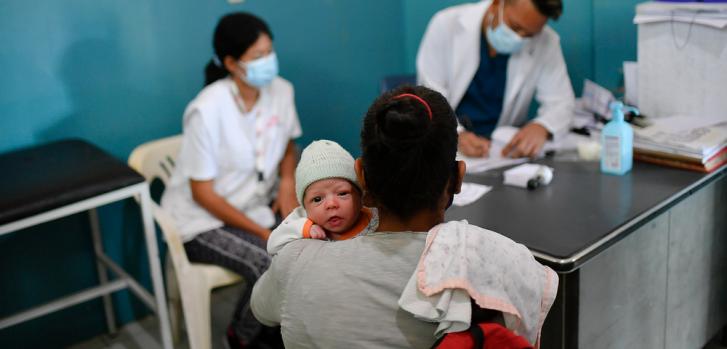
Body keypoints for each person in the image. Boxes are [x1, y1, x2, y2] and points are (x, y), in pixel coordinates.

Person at [250, 85, 555, 348]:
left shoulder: (294, 261)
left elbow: (261, 309)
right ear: (457, 178)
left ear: (361, 178)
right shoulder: (497, 268)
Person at [160, 12, 300, 348]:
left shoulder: (281, 91)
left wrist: (285, 183)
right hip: (202, 220)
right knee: (267, 259)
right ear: (231, 63)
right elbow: (202, 194)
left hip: (255, 205)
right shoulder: (207, 110)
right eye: (257, 56)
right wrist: (263, 233)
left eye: (270, 52)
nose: (268, 61)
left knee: (307, 244)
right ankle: (241, 337)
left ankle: (282, 333)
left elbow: (287, 143)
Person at [417, 0, 575, 158]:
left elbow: (562, 102)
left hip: (499, 152)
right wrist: (456, 134)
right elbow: (430, 97)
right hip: (448, 145)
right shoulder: (446, 25)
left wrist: (542, 126)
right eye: (515, 27)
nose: (519, 39)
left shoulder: (546, 41)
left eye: (529, 35)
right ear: (496, 4)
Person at [267, 139, 378, 255]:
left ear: (360, 196)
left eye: (342, 193)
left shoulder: (375, 219)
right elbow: (272, 245)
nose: (331, 204)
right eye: (317, 199)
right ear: (304, 206)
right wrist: (304, 229)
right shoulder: (306, 221)